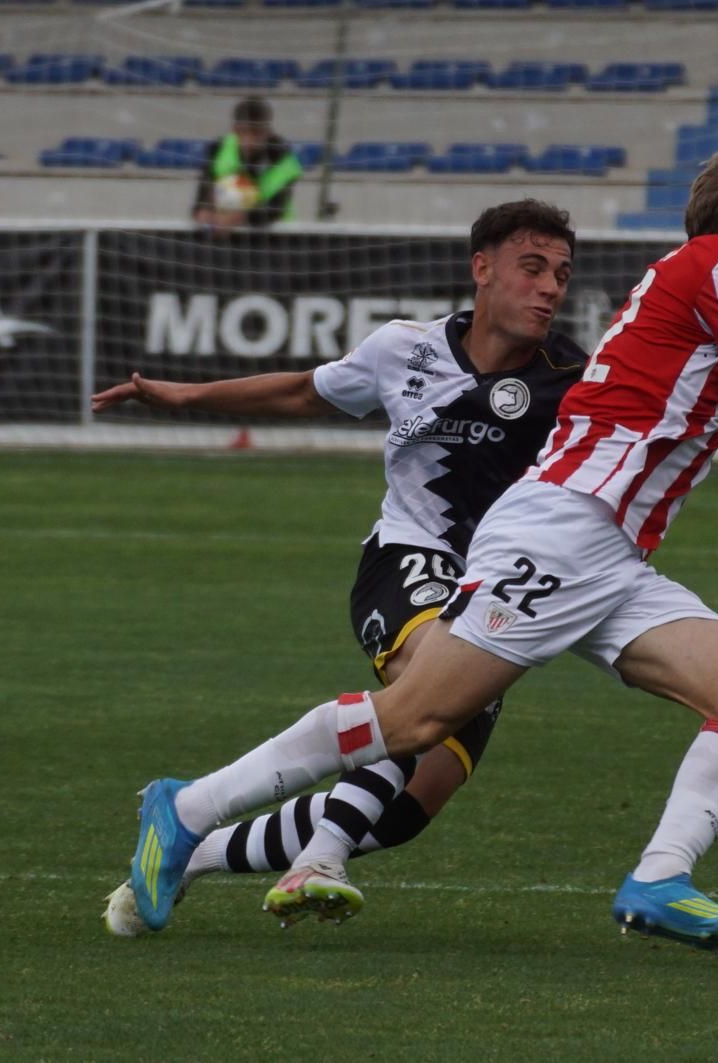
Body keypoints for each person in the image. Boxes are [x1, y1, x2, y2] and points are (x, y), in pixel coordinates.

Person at [124, 143, 718, 951]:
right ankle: (189, 806)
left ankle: (660, 877)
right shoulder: (716, 265)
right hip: (564, 530)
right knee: (418, 715)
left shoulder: (705, 284)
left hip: (611, 553)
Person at [93, 199, 585, 935]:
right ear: (482, 269)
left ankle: (191, 851)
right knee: (424, 704)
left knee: (409, 810)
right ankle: (312, 857)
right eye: (533, 268)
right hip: (405, 560)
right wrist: (184, 395)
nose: (551, 287)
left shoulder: (574, 377)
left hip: (496, 590)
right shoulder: (403, 349)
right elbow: (302, 389)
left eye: (563, 274)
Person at [192, 97, 302, 235]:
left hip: (274, 237)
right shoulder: (218, 148)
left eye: (256, 133)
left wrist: (238, 216)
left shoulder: (284, 159)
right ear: (234, 129)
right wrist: (203, 210)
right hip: (225, 235)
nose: (250, 140)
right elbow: (202, 196)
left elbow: (275, 209)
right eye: (243, 132)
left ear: (268, 131)